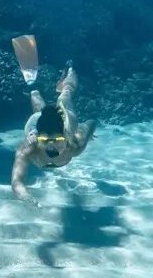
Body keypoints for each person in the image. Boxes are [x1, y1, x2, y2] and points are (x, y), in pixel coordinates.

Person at [10, 65, 96, 202]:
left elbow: (90, 123)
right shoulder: (28, 148)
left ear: (66, 136)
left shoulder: (75, 145)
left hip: (64, 121)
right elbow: (16, 182)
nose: (51, 145)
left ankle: (70, 68)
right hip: (36, 122)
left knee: (65, 97)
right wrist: (25, 196)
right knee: (39, 110)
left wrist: (89, 133)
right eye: (45, 140)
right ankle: (33, 89)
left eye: (57, 139)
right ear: (37, 138)